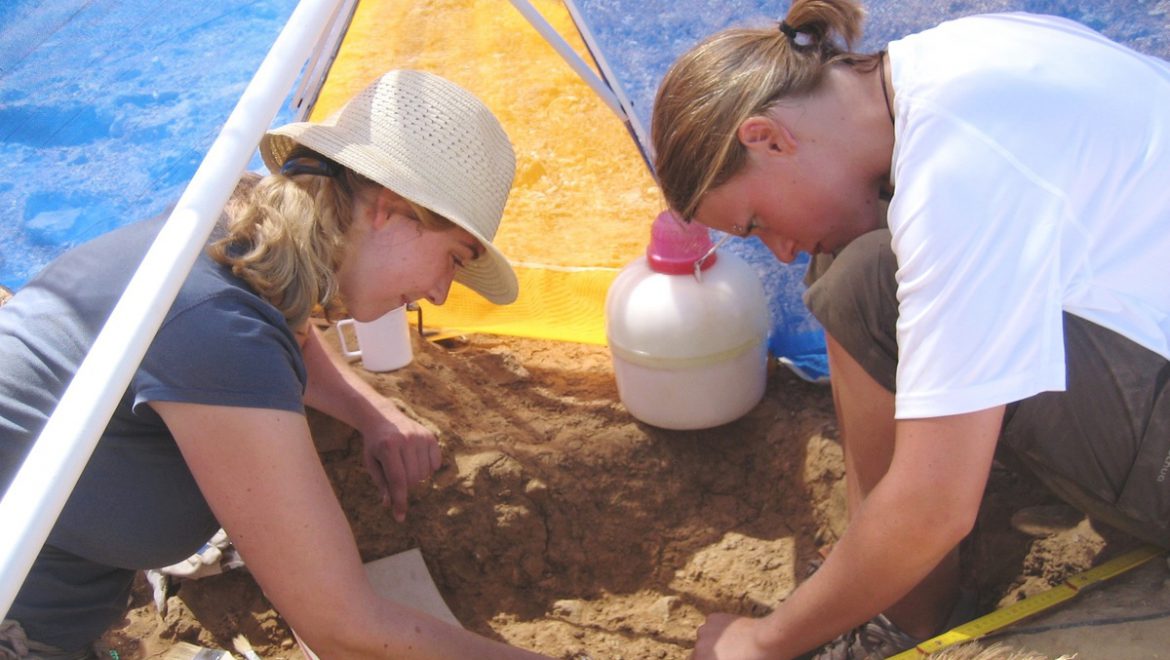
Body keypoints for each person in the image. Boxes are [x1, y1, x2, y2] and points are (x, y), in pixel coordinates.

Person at [651, 1, 1170, 658]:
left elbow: (935, 505)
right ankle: (892, 582)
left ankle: (905, 613)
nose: (779, 251)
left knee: (863, 283)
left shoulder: (957, 172)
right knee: (856, 263)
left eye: (754, 222)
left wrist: (762, 643)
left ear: (768, 138)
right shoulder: (955, 60)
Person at [0, 70, 550, 659]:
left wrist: (372, 412)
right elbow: (342, 628)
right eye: (453, 258)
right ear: (390, 210)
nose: (441, 293)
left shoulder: (232, 235)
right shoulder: (216, 326)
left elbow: (289, 330)